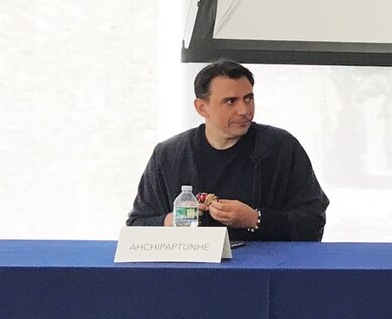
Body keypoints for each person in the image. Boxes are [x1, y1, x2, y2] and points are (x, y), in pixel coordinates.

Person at [127, 60, 329, 240]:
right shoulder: (169, 155)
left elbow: (313, 222)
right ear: (201, 108)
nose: (244, 110)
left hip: (265, 271)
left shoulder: (281, 147)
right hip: (190, 272)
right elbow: (136, 227)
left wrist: (254, 219)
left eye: (248, 98)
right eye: (231, 101)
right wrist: (174, 220)